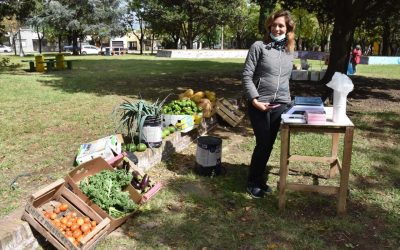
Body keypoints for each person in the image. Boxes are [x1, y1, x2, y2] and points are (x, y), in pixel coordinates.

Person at [242, 10, 296, 198]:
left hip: (279, 104)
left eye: (281, 25)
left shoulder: (289, 51)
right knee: (263, 142)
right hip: (259, 103)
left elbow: (287, 79)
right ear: (269, 26)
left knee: (269, 144)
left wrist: (287, 102)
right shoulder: (259, 46)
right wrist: (254, 100)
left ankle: (259, 179)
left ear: (288, 28)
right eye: (274, 25)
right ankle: (253, 182)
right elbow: (247, 75)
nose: (277, 28)